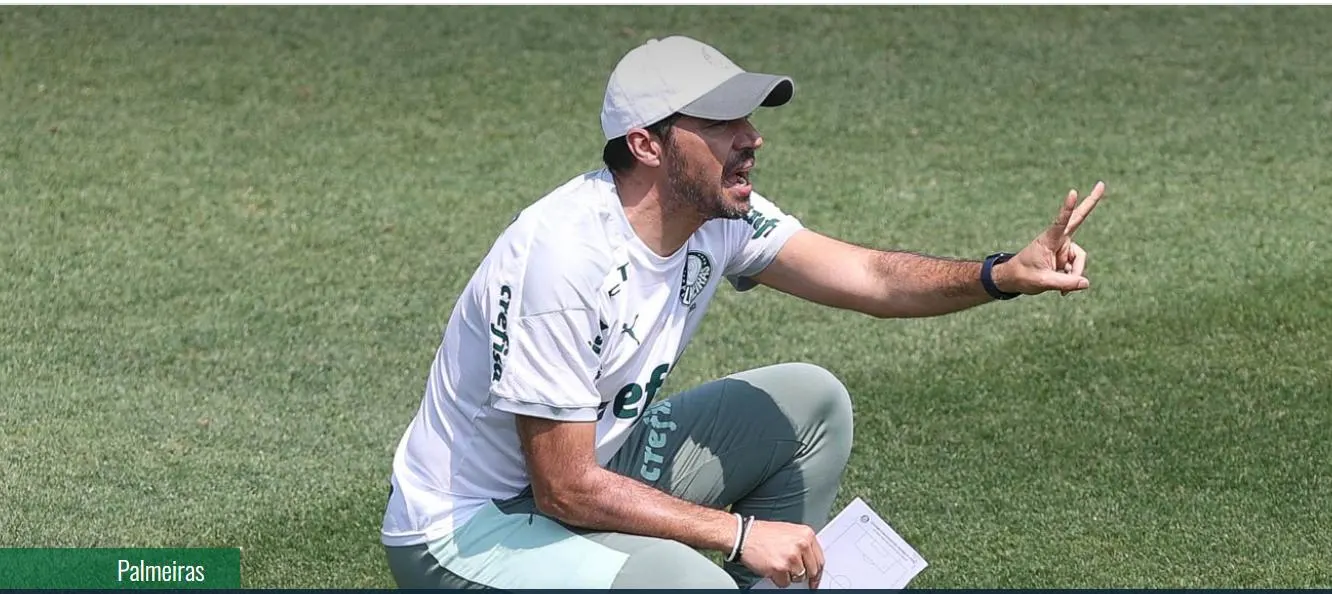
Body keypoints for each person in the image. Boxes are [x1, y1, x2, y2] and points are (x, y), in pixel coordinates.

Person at [380, 35, 1105, 590]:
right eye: (723, 121)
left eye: (748, 118)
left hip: (591, 463)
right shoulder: (563, 259)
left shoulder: (720, 217)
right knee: (690, 581)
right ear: (646, 144)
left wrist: (1002, 273)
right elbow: (562, 487)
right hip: (469, 529)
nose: (752, 136)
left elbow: (870, 277)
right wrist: (736, 534)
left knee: (812, 402)